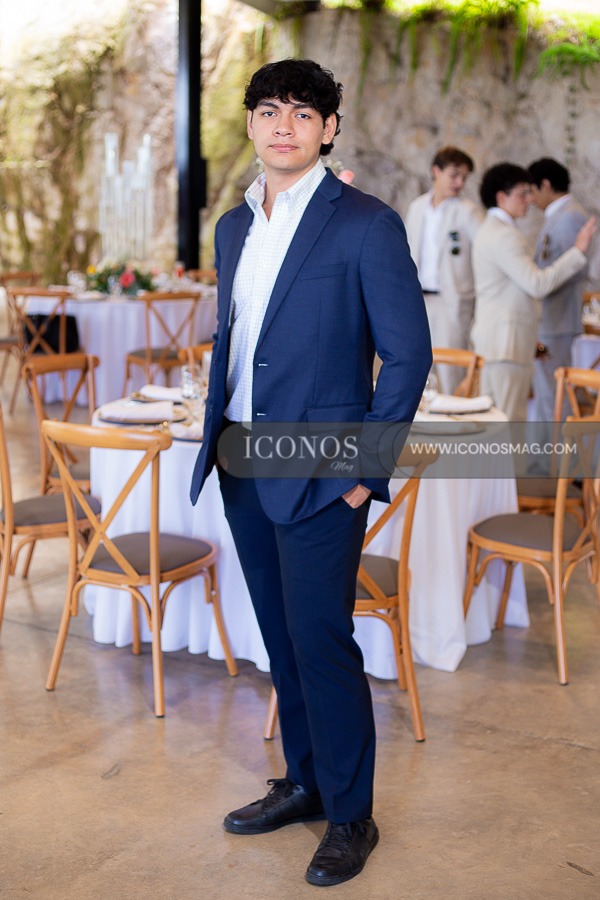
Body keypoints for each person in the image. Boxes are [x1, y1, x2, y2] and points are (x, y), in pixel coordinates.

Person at [189, 59, 431, 887]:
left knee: (322, 641)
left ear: (328, 128)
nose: (283, 125)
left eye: (301, 112)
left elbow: (407, 356)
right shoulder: (233, 226)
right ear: (251, 125)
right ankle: (306, 783)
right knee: (280, 636)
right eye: (268, 110)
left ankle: (351, 814)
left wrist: (364, 472)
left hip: (325, 469)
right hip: (243, 458)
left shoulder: (365, 222)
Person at [471, 163, 595, 421]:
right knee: (508, 422)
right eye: (522, 194)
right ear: (502, 197)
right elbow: (537, 284)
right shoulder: (504, 235)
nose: (530, 200)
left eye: (530, 192)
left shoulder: (490, 229)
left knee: (496, 422)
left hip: (498, 341)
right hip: (507, 343)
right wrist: (578, 252)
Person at [405, 146, 483, 394]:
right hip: (418, 301)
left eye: (464, 177)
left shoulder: (467, 211)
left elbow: (486, 251)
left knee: (451, 371)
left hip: (451, 302)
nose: (459, 183)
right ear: (436, 171)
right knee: (418, 369)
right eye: (454, 175)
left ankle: (453, 417)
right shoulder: (417, 207)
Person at [527, 158, 589, 423]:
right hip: (551, 318)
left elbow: (577, 267)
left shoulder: (570, 216)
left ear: (545, 185)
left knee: (556, 395)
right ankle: (545, 449)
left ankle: (560, 449)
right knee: (546, 393)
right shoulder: (559, 214)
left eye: (531, 191)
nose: (530, 199)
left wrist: (539, 280)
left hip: (559, 318)